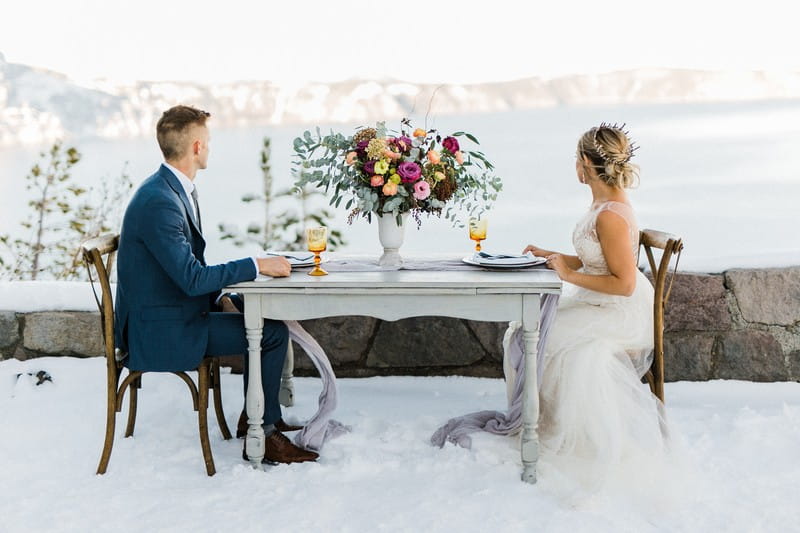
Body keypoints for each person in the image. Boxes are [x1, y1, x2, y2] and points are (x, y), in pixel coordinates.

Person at [114, 104, 317, 464]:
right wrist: (256, 265)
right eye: (207, 140)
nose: (210, 146)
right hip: (162, 331)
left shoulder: (168, 190)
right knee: (270, 334)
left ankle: (256, 418)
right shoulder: (160, 203)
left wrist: (222, 296)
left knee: (254, 312)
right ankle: (263, 433)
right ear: (195, 147)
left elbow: (183, 273)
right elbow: (191, 277)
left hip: (171, 313)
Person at [522, 123, 674, 491]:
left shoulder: (610, 213)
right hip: (601, 300)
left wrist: (567, 277)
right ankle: (536, 423)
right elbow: (599, 261)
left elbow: (623, 283)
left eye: (576, 158)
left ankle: (569, 439)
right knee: (526, 330)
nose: (574, 164)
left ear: (587, 164)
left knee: (545, 338)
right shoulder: (602, 203)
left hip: (620, 311)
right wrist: (556, 257)